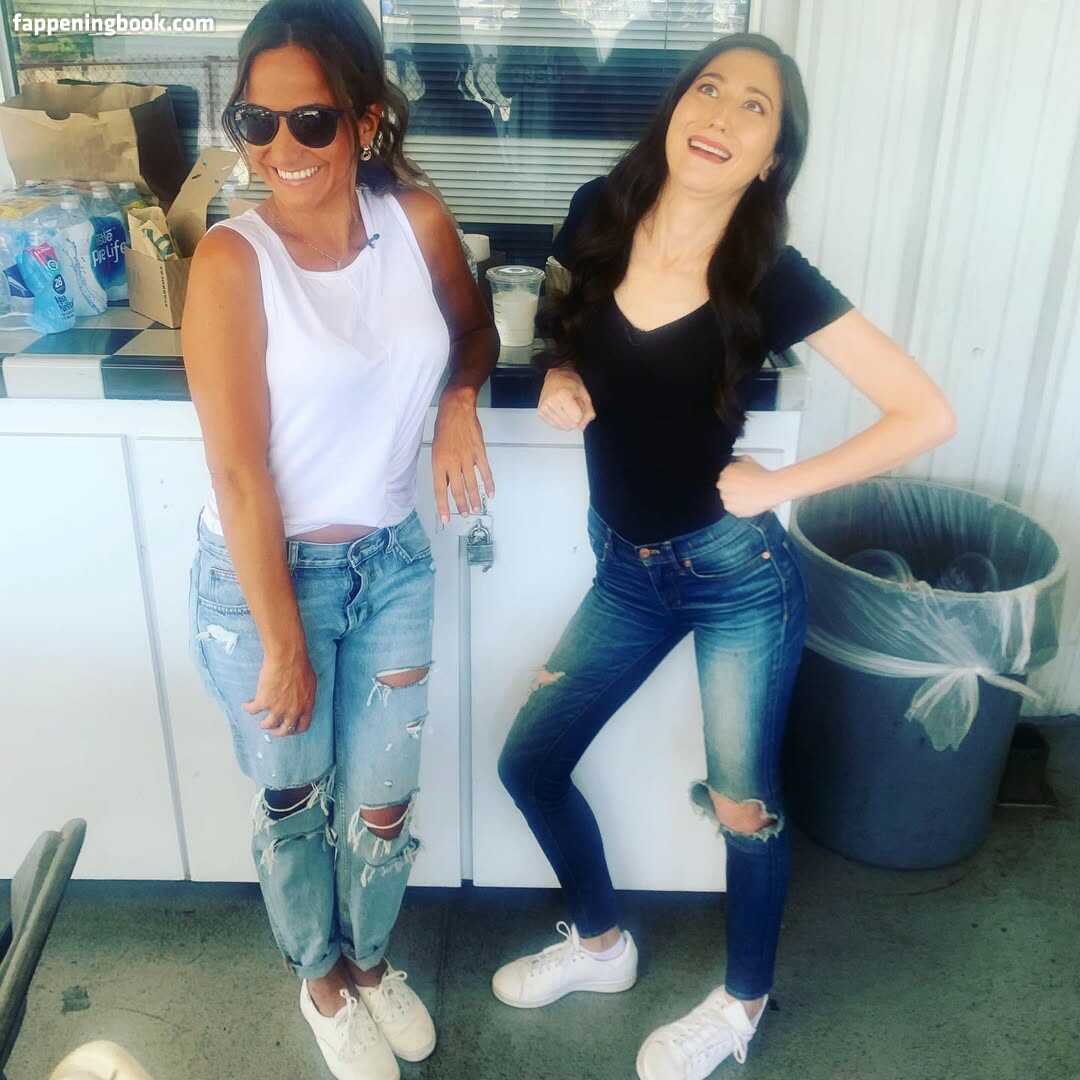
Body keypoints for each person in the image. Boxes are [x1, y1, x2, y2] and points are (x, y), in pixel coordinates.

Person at [491, 32, 956, 1080]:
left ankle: (741, 1006)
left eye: (756, 107)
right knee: (530, 761)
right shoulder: (599, 213)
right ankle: (601, 945)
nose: (723, 114)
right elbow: (566, 313)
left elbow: (926, 413)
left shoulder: (768, 276)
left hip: (737, 576)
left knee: (745, 808)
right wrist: (562, 371)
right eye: (710, 88)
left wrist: (780, 485)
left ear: (772, 156)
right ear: (676, 108)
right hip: (626, 571)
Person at [182, 2, 497, 1078]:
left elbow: (473, 330)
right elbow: (238, 474)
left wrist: (459, 398)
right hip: (265, 580)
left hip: (392, 561)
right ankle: (320, 981)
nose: (281, 148)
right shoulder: (232, 261)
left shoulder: (416, 222)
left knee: (383, 798)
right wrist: (282, 641)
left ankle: (368, 963)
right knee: (295, 801)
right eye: (255, 122)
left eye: (310, 121)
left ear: (364, 122)